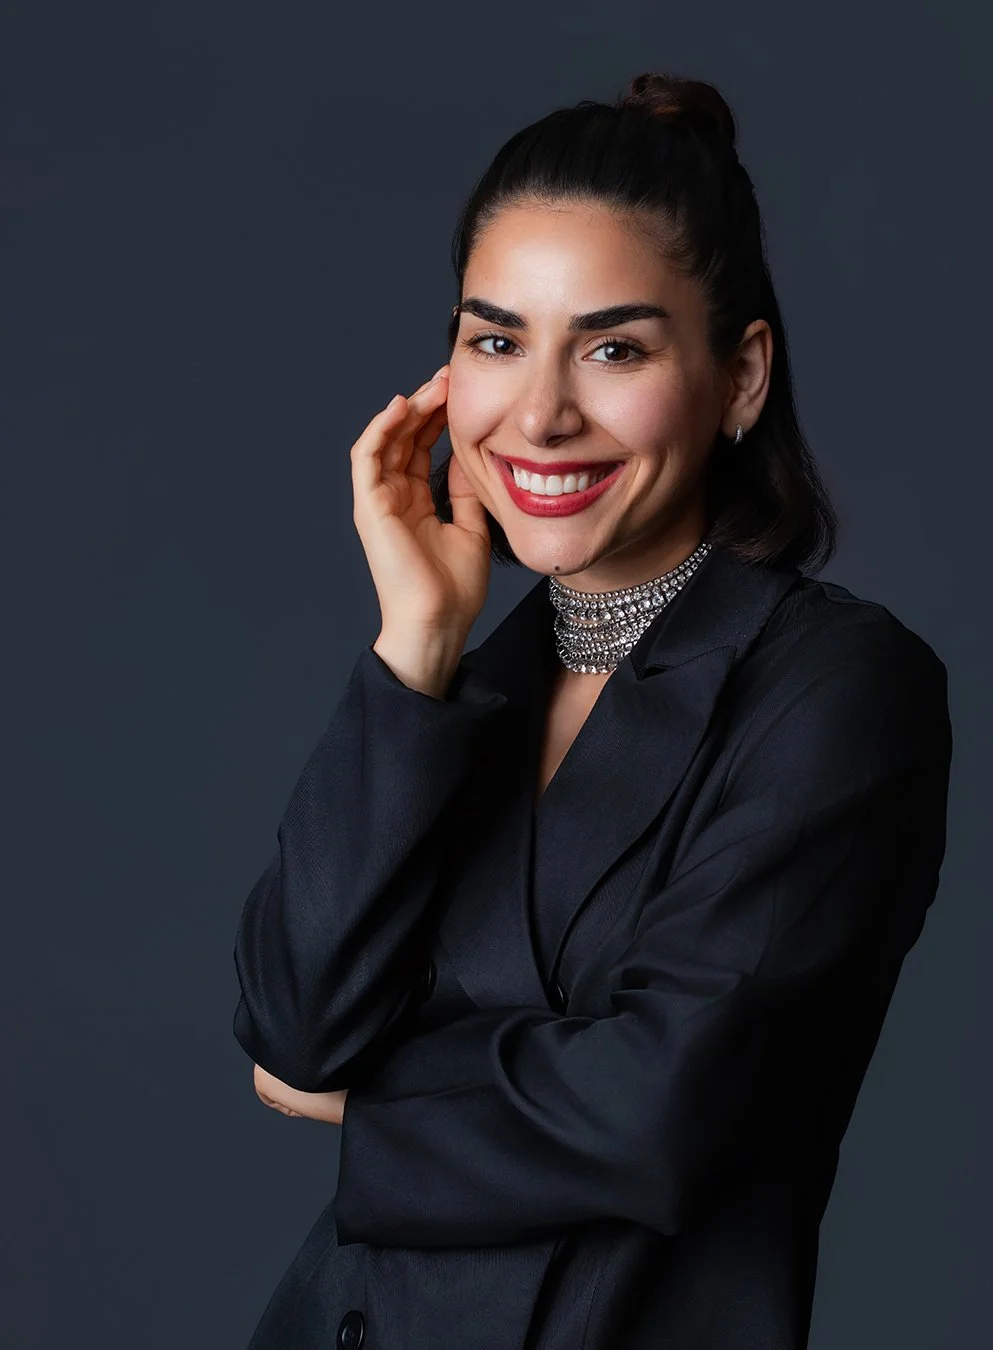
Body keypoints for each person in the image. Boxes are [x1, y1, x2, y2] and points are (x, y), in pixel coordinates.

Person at [232, 71, 952, 1350]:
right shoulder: (470, 686)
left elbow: (654, 1114)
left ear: (742, 377)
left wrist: (359, 1102)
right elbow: (294, 1025)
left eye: (615, 348)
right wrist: (417, 644)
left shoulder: (835, 688)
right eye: (496, 341)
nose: (542, 413)